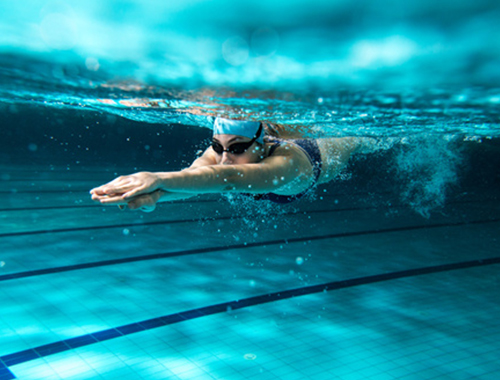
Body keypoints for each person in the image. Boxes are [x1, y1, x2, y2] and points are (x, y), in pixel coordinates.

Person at [90, 117, 371, 211]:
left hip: (328, 151)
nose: (224, 158)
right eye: (217, 147)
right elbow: (194, 179)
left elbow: (228, 178)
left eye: (236, 148)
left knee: (362, 139)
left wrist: (156, 178)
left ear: (262, 144)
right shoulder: (223, 154)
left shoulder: (288, 163)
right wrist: (155, 197)